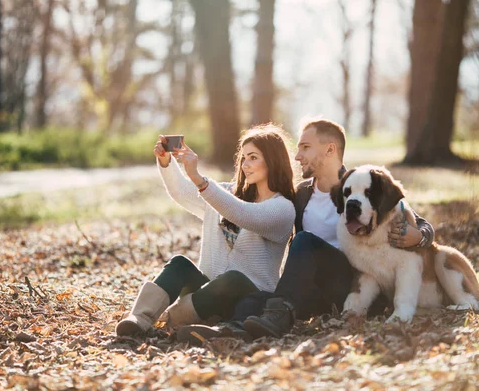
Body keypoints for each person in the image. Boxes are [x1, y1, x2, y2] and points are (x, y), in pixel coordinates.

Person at [179, 118, 435, 342]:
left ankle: (276, 317)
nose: (298, 156)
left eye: (305, 147)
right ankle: (230, 331)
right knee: (257, 299)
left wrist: (421, 236)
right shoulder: (300, 195)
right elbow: (255, 212)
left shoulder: (357, 187)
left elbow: (416, 219)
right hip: (313, 287)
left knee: (305, 242)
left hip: (355, 284)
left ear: (330, 149)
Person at [115, 124, 296, 337]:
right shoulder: (227, 193)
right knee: (180, 264)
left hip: (249, 299)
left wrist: (199, 180)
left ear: (273, 161)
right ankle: (139, 319)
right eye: (244, 158)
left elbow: (244, 214)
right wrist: (167, 162)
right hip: (206, 294)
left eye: (253, 158)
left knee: (232, 279)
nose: (246, 165)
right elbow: (183, 192)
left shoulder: (282, 209)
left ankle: (174, 319)